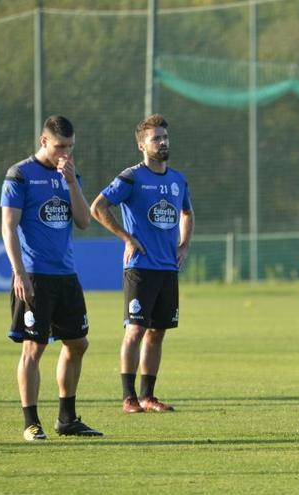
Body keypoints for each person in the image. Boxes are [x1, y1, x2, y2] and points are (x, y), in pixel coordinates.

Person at [0, 115, 103, 441]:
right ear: (44, 141)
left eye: (70, 147)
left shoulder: (70, 175)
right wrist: (19, 273)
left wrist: (72, 183)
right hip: (34, 275)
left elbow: (84, 221)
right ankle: (31, 422)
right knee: (34, 347)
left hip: (66, 275)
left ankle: (67, 418)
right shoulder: (20, 175)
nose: (65, 154)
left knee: (78, 343)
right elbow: (8, 227)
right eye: (60, 147)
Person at [90, 114, 194, 414]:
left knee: (157, 331)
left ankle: (148, 396)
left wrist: (184, 244)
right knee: (135, 330)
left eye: (165, 138)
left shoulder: (177, 180)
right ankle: (128, 398)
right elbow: (98, 207)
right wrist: (125, 237)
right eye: (155, 139)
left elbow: (188, 213)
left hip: (167, 269)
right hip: (140, 267)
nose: (162, 143)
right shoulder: (131, 178)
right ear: (141, 145)